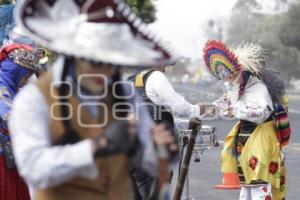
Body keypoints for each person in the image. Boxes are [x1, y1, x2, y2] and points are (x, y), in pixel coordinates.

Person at [9, 0, 178, 200]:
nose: (105, 71)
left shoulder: (125, 94)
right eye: (96, 61)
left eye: (112, 63)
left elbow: (150, 159)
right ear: (73, 53)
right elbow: (34, 169)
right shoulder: (34, 99)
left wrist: (161, 150)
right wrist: (98, 146)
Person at [203, 40, 290, 200]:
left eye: (230, 77)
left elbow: (261, 113)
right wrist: (199, 110)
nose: (228, 81)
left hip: (261, 140)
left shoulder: (258, 88)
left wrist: (235, 108)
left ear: (239, 71)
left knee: (259, 187)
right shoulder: (236, 86)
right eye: (226, 78)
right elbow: (222, 104)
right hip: (246, 141)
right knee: (246, 189)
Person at [130, 65, 205, 199]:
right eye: (164, 63)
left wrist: (182, 124)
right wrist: (197, 109)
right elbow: (180, 107)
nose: (165, 68)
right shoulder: (155, 77)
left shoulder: (130, 79)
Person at [0, 30, 48, 200]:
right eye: (26, 75)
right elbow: (10, 120)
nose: (26, 81)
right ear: (16, 71)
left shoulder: (10, 89)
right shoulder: (2, 89)